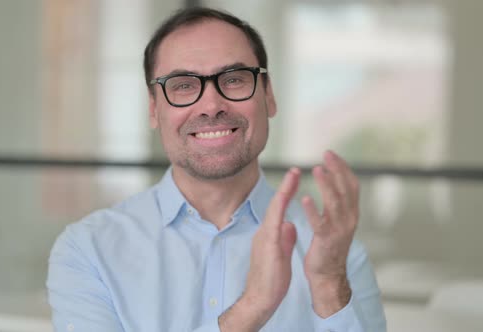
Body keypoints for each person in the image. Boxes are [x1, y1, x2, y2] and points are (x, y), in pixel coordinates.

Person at [47, 7, 386, 332]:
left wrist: (328, 287)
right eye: (183, 85)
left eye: (234, 79)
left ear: (268, 96)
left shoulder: (336, 254)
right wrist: (253, 306)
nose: (211, 105)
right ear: (153, 109)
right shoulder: (88, 250)